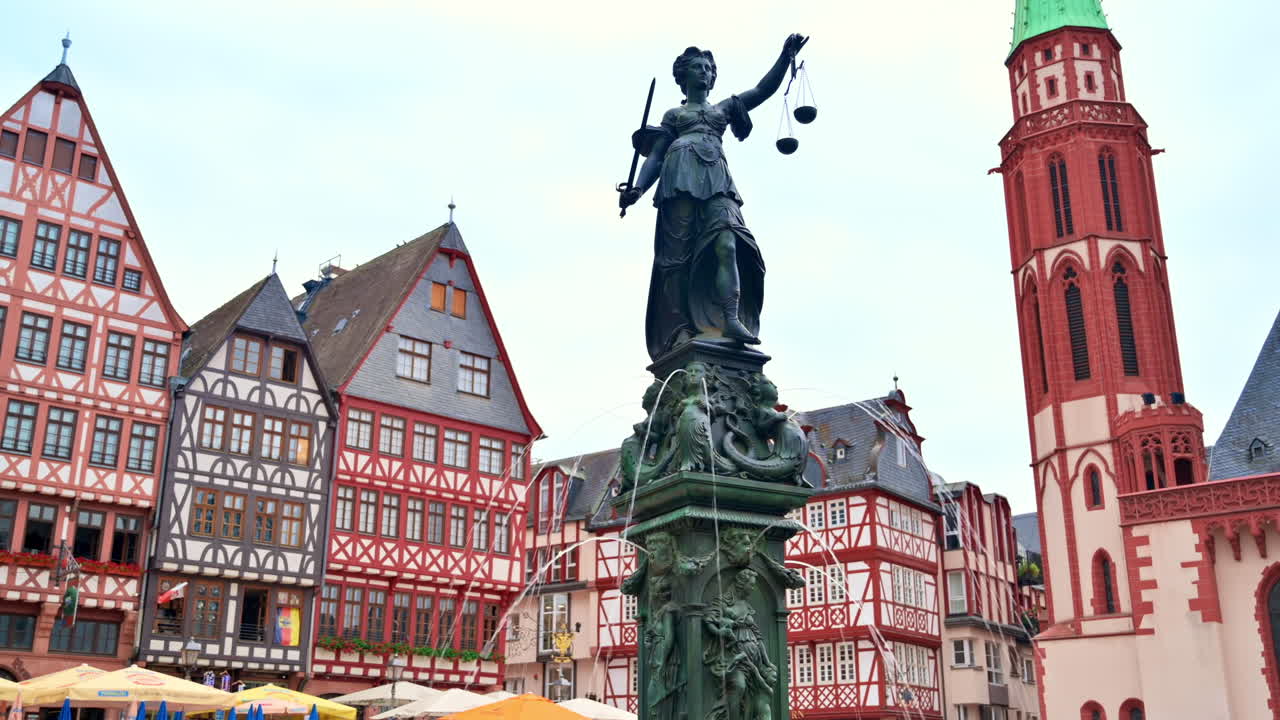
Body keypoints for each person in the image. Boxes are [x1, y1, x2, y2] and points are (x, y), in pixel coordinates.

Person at [619, 34, 807, 360]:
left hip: (717, 179)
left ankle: (730, 318)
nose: (705, 72)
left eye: (708, 67)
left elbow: (762, 91)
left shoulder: (724, 109)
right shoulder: (674, 117)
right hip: (679, 176)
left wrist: (784, 57)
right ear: (684, 77)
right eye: (697, 67)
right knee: (676, 258)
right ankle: (678, 327)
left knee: (729, 241)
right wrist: (637, 188)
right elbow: (656, 157)